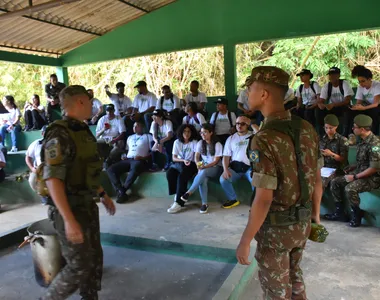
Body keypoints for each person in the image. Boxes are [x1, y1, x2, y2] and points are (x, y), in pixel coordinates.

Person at [236, 66, 322, 299]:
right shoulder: (306, 128)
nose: (247, 94)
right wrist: (314, 215)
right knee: (295, 278)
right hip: (301, 225)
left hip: (276, 230)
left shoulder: (263, 139)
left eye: (250, 89)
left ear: (264, 94)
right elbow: (316, 179)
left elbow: (264, 198)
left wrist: (245, 240)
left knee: (276, 291)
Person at [39, 85, 115, 300]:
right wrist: (69, 220)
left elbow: (83, 170)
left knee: (93, 259)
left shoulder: (81, 130)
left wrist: (102, 193)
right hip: (69, 208)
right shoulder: (59, 133)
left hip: (86, 204)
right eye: (90, 102)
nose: (93, 106)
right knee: (78, 265)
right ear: (80, 101)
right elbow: (53, 179)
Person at [327, 115, 380, 227]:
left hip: (372, 178)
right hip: (360, 173)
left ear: (362, 129)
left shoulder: (374, 144)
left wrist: (355, 177)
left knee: (350, 188)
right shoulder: (362, 141)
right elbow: (365, 161)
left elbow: (374, 168)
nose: (352, 129)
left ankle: (357, 214)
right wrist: (353, 167)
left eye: (355, 127)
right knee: (335, 182)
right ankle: (340, 212)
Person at [180, 123, 223, 214]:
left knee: (202, 173)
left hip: (216, 168)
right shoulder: (200, 143)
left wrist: (203, 167)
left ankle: (189, 193)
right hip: (204, 168)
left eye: (205, 132)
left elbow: (216, 161)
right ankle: (204, 204)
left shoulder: (217, 144)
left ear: (211, 133)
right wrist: (198, 165)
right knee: (203, 180)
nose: (202, 134)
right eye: (201, 133)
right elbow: (196, 156)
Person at [107, 121, 153, 203]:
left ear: (142, 127)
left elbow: (152, 152)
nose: (135, 127)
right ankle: (120, 191)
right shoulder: (130, 137)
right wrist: (123, 155)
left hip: (140, 160)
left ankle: (122, 192)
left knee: (135, 167)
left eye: (137, 126)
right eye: (134, 126)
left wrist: (142, 157)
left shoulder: (148, 136)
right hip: (128, 159)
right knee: (111, 169)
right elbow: (127, 150)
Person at [219, 115, 253, 209]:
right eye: (237, 123)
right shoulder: (231, 138)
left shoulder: (253, 135)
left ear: (247, 125)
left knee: (256, 180)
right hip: (236, 168)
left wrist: (252, 123)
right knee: (223, 179)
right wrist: (225, 170)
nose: (239, 126)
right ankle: (233, 199)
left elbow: (261, 133)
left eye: (243, 124)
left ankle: (256, 201)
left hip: (250, 168)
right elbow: (226, 156)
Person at [166, 124, 199, 213]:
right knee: (170, 173)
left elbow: (196, 156)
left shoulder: (195, 142)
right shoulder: (177, 142)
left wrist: (196, 166)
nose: (187, 133)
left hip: (191, 164)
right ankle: (177, 194)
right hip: (180, 163)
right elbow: (174, 157)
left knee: (182, 176)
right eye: (184, 131)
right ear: (181, 132)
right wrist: (183, 160)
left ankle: (179, 203)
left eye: (189, 131)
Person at [316, 67, 354, 137]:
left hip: (344, 106)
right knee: (319, 111)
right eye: (330, 75)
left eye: (334, 74)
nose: (332, 77)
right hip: (332, 107)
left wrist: (333, 104)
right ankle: (322, 134)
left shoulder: (344, 84)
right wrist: (320, 104)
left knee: (347, 111)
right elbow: (321, 100)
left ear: (339, 75)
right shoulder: (327, 86)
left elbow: (347, 100)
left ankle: (345, 134)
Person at [319, 115, 349, 188]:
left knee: (320, 183)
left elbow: (343, 159)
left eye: (330, 128)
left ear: (336, 127)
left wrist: (331, 154)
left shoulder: (342, 140)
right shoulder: (322, 139)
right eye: (326, 128)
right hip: (324, 167)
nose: (328, 130)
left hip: (337, 168)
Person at [349, 65, 380, 135]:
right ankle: (351, 135)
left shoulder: (377, 85)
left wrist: (363, 108)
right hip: (367, 106)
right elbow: (358, 102)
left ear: (369, 79)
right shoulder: (360, 87)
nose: (361, 84)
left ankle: (373, 135)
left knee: (374, 112)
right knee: (352, 113)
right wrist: (355, 107)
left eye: (363, 81)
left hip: (376, 107)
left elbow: (376, 104)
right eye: (359, 81)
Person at [96, 104, 126, 168]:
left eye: (111, 111)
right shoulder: (102, 119)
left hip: (115, 138)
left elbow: (122, 133)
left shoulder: (118, 119)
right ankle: (102, 162)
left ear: (114, 111)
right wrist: (103, 129)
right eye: (108, 111)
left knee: (119, 145)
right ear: (106, 111)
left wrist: (115, 140)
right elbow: (97, 135)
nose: (109, 113)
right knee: (95, 143)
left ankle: (108, 161)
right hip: (104, 138)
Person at [25, 125, 48, 204]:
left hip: (53, 168)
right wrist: (32, 168)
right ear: (42, 133)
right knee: (32, 180)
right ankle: (43, 196)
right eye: (46, 132)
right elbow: (28, 157)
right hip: (39, 168)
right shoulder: (36, 143)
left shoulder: (56, 143)